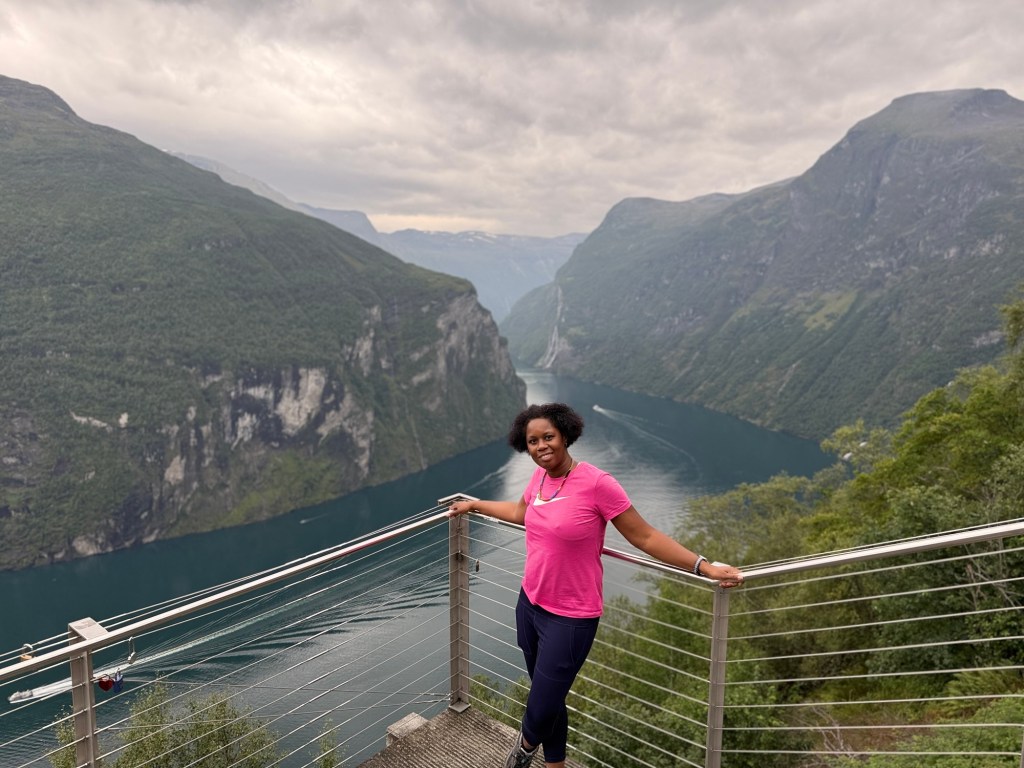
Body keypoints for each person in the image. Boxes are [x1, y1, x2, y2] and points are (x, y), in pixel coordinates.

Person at [448, 402, 744, 768]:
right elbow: (520, 513)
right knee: (550, 698)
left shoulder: (597, 484)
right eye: (533, 441)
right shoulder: (539, 478)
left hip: (571, 618)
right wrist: (475, 505)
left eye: (548, 437)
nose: (541, 446)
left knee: (540, 707)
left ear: (565, 435)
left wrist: (704, 566)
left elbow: (645, 536)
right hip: (529, 606)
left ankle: (522, 753)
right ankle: (555, 764)